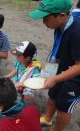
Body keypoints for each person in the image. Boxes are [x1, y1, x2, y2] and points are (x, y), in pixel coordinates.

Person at [29, 0, 80, 131]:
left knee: (64, 106)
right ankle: (47, 118)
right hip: (62, 68)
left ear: (61, 15)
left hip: (76, 77)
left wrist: (55, 78)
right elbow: (57, 50)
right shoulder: (59, 26)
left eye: (46, 18)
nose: (43, 22)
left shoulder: (76, 33)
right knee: (53, 95)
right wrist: (49, 73)